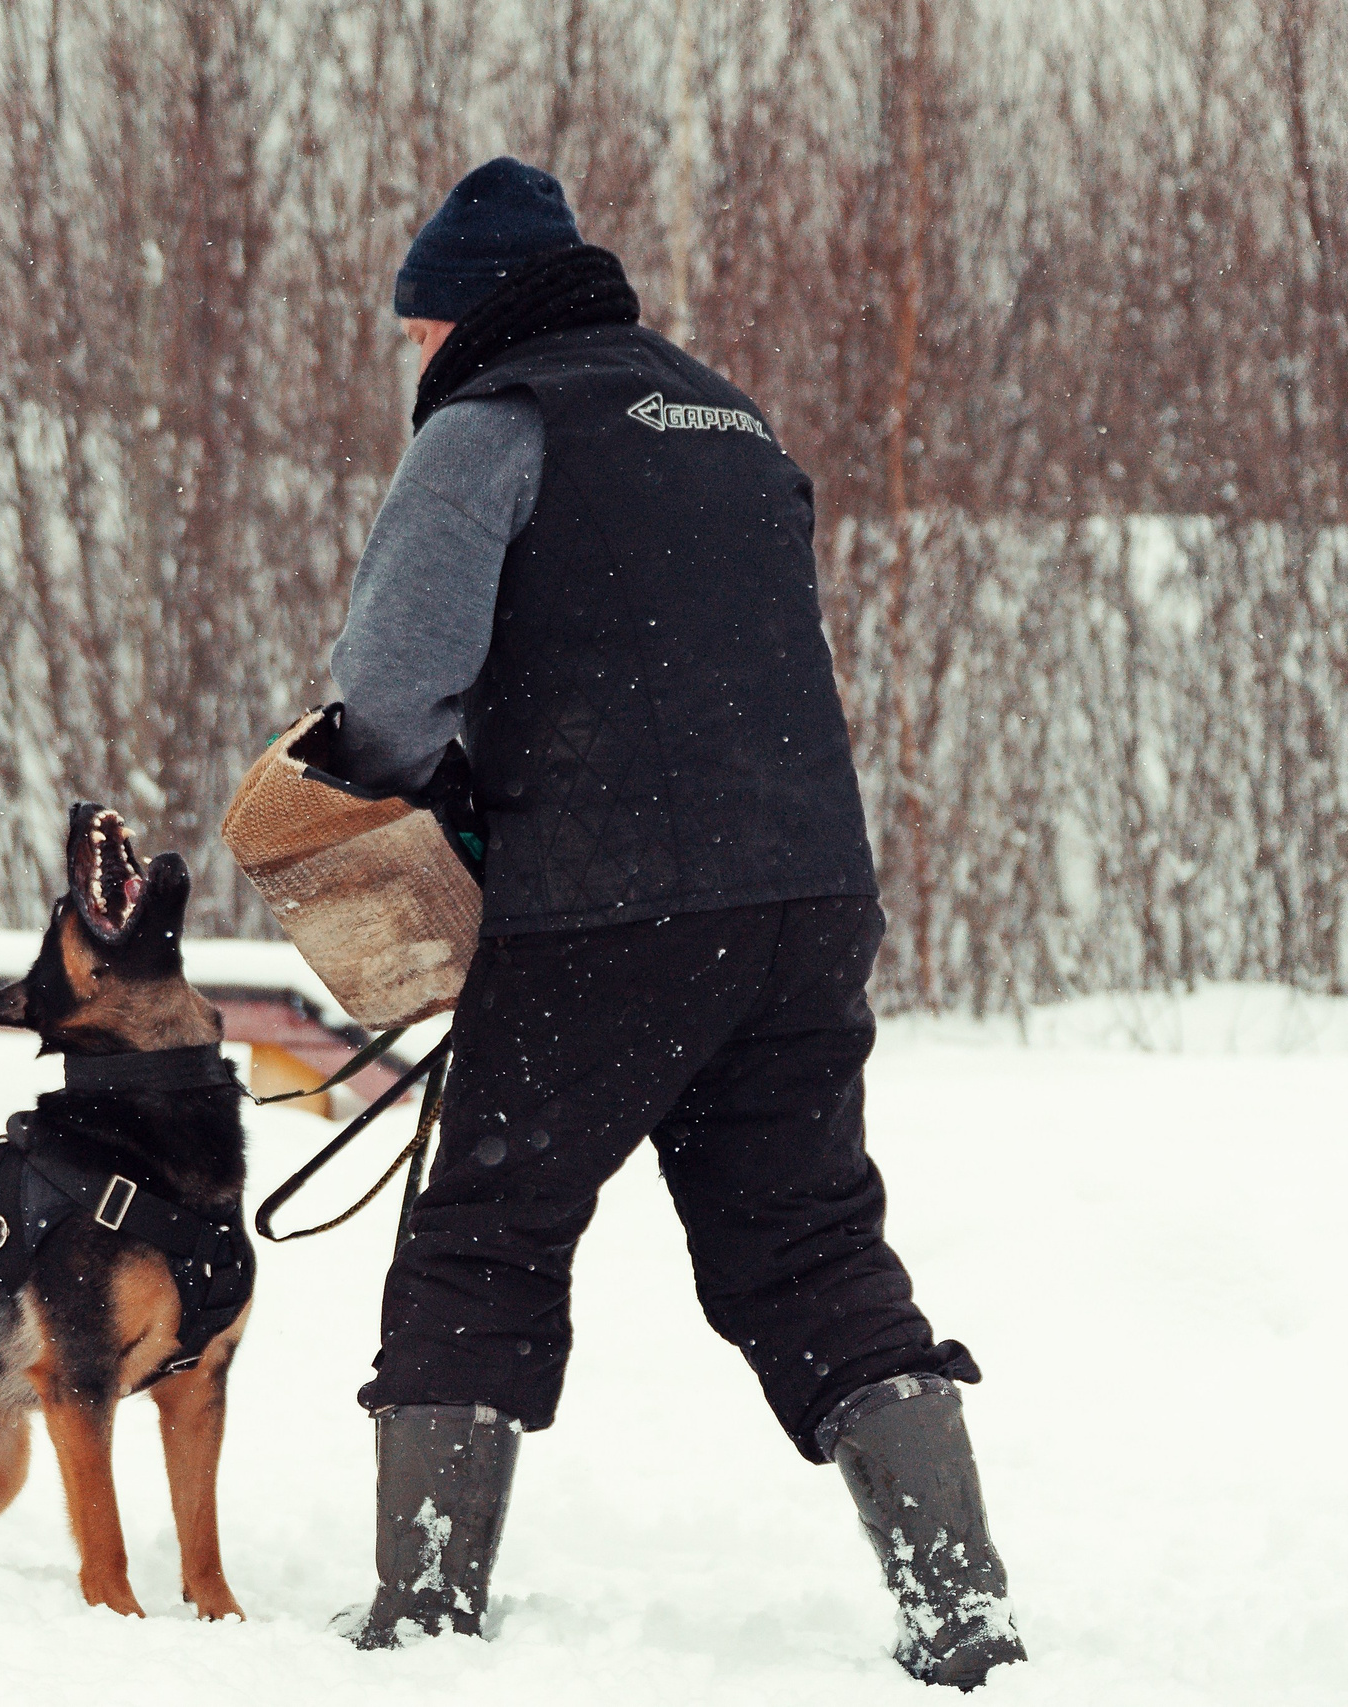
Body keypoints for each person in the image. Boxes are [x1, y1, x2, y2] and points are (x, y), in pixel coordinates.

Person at [324, 160, 1024, 1686]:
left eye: (409, 333)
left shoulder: (488, 426)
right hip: (805, 901)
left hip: (604, 909)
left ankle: (426, 1610)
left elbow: (385, 701)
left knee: (482, 1237)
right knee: (809, 1240)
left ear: (452, 317)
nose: (408, 361)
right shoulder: (732, 417)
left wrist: (367, 789)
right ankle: (961, 1604)